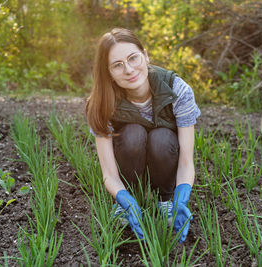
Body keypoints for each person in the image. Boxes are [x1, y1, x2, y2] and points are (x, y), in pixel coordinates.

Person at [85, 28, 200, 243]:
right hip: (129, 157)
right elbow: (108, 173)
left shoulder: (178, 90)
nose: (128, 69)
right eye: (117, 65)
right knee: (132, 134)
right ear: (108, 72)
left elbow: (186, 161)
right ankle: (129, 200)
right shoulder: (100, 103)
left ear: (145, 56)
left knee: (162, 138)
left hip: (166, 157)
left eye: (132, 58)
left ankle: (165, 200)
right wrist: (123, 197)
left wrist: (181, 198)